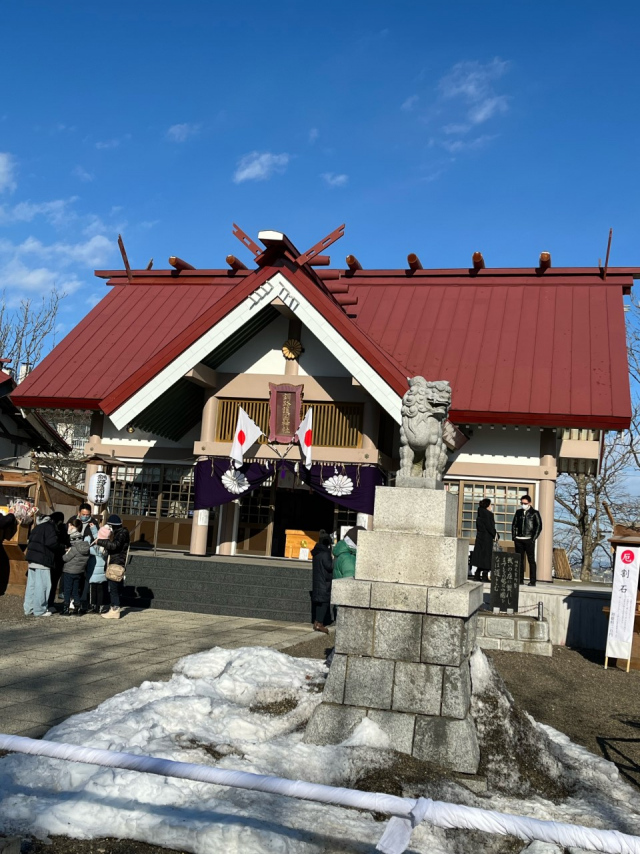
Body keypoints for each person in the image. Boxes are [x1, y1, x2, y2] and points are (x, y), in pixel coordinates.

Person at [24, 513, 59, 617]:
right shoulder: (49, 527)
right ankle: (40, 610)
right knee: (42, 586)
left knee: (31, 586)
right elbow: (51, 543)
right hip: (43, 559)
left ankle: (28, 608)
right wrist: (61, 547)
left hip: (32, 559)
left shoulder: (37, 527)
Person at [97, 514, 130, 620]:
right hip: (116, 562)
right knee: (114, 587)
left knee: (113, 588)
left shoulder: (121, 534)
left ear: (112, 525)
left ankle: (115, 610)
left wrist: (100, 542)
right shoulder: (121, 533)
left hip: (117, 563)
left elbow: (115, 546)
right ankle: (113, 608)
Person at [511, 494, 543, 586]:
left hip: (529, 539)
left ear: (529, 503)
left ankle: (533, 580)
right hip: (519, 539)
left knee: (531, 560)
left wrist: (533, 538)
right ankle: (519, 580)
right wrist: (514, 537)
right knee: (519, 560)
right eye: (522, 503)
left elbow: (539, 526)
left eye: (525, 503)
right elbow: (514, 525)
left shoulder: (535, 513)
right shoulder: (518, 512)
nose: (523, 505)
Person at [61, 520, 90, 616]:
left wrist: (66, 552)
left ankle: (66, 608)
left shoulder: (74, 549)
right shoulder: (86, 548)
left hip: (69, 571)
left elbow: (65, 558)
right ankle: (77, 607)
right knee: (75, 590)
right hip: (79, 572)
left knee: (67, 590)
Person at [311, 530, 334, 634]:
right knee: (324, 602)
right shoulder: (325, 553)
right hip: (324, 582)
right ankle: (319, 624)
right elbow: (329, 566)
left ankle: (316, 622)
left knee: (319, 603)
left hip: (318, 581)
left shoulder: (317, 553)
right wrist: (334, 560)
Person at [471, 498, 498, 583]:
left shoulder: (480, 514)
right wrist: (495, 534)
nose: (491, 506)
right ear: (487, 506)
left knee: (480, 557)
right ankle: (485, 575)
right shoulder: (488, 514)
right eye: (490, 505)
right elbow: (490, 526)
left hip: (480, 537)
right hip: (487, 538)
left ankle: (477, 574)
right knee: (487, 557)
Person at [48, 512, 69, 612]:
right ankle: (50, 603)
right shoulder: (63, 529)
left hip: (53, 560)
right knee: (53, 583)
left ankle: (48, 603)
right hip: (59, 560)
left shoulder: (54, 529)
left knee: (49, 583)